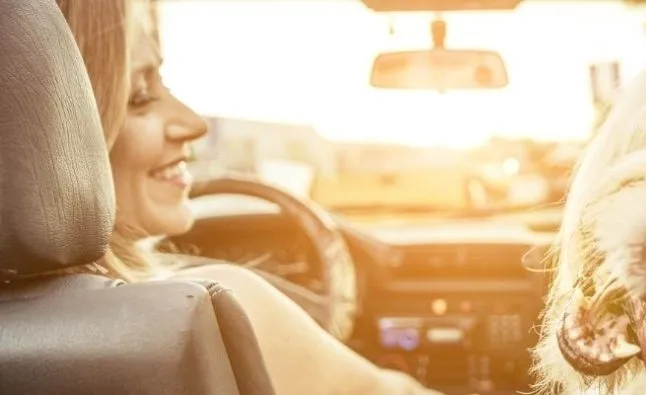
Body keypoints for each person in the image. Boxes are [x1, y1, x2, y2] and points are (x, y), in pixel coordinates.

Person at [56, 1, 443, 394]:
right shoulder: (214, 311)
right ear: (55, 127)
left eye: (164, 84)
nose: (195, 123)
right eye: (139, 95)